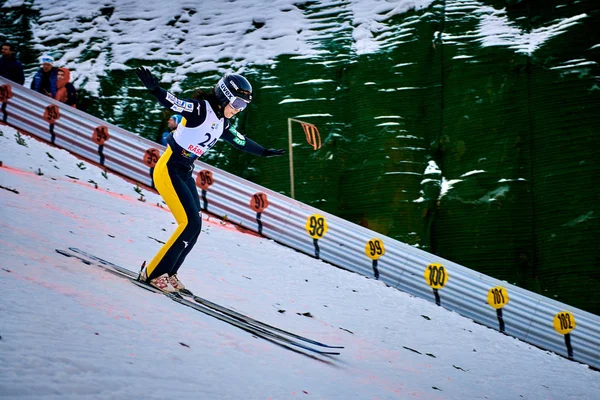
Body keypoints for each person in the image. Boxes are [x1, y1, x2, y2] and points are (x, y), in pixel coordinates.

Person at [135, 66, 285, 292]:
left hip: (184, 170)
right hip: (168, 168)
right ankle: (153, 273)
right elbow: (174, 103)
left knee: (196, 225)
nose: (238, 110)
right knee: (189, 223)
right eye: (237, 104)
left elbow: (239, 141)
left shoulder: (223, 122)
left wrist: (264, 152)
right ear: (224, 97)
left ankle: (170, 272)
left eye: (243, 106)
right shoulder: (200, 109)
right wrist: (155, 89)